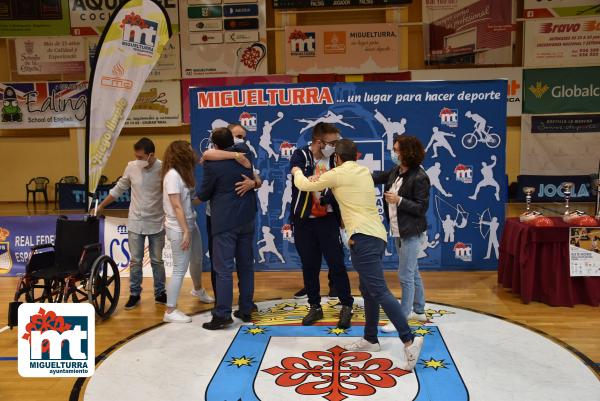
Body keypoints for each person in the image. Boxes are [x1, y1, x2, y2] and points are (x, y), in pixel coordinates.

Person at [292, 139, 424, 371]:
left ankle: (409, 340)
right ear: (356, 155)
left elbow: (302, 185)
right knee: (368, 290)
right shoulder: (363, 171)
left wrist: (296, 169)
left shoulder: (338, 173)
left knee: (379, 290)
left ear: (337, 158)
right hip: (374, 236)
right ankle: (370, 338)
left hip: (364, 238)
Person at [289, 122, 354, 329]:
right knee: (309, 265)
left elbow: (340, 185)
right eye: (332, 143)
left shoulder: (336, 160)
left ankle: (346, 306)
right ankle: (315, 306)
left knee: (337, 264)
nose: (335, 146)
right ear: (319, 142)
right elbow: (298, 177)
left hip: (328, 220)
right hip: (304, 221)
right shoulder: (300, 155)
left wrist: (328, 197)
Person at [95, 138, 168, 310]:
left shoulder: (163, 168)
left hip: (157, 220)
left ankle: (160, 292)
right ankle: (134, 294)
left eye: (141, 157)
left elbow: (170, 192)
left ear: (151, 155)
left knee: (157, 260)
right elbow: (118, 189)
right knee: (135, 261)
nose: (138, 160)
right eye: (136, 156)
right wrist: (102, 205)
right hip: (135, 220)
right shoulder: (131, 166)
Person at [197, 127, 257, 330]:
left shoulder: (212, 164)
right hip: (247, 217)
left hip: (224, 222)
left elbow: (204, 193)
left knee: (223, 270)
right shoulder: (245, 152)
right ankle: (246, 309)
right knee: (246, 266)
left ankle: (222, 314)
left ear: (214, 144)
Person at [373, 136, 431, 332]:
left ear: (407, 152)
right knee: (412, 271)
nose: (394, 153)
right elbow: (377, 177)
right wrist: (355, 173)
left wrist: (398, 200)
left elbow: (421, 207)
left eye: (397, 150)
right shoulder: (397, 172)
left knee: (405, 275)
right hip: (399, 229)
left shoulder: (420, 177)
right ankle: (420, 310)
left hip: (411, 232)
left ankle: (402, 316)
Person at [162, 141, 213, 323]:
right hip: (179, 228)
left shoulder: (184, 174)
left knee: (197, 259)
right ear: (181, 154)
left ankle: (198, 289)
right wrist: (185, 231)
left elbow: (189, 201)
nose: (193, 152)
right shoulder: (172, 176)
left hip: (190, 224)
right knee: (179, 269)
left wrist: (209, 193)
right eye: (190, 150)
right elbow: (176, 206)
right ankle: (170, 310)